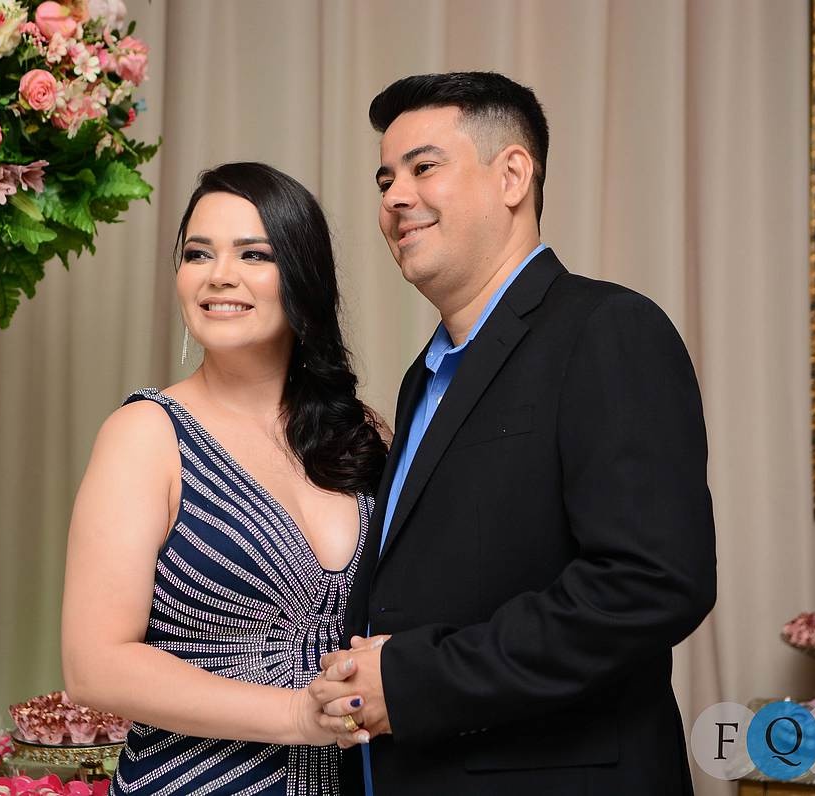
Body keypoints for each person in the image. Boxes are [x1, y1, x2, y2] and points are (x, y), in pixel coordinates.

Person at [310, 72, 717, 795]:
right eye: (385, 179)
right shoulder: (423, 378)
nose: (395, 197)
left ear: (513, 176)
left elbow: (651, 584)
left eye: (423, 167)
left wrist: (415, 680)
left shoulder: (607, 329)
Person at [61, 162, 388, 795]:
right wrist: (296, 715)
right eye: (198, 253)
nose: (219, 275)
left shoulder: (362, 432)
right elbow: (94, 665)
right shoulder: (146, 435)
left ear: (303, 275)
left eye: (253, 254)